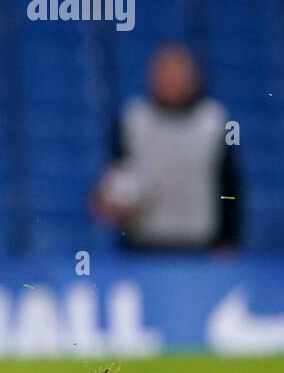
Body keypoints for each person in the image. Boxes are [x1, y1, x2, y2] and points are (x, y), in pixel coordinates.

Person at [92, 43, 239, 251]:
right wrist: (107, 201)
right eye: (165, 72)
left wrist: (229, 238)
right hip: (144, 247)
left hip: (199, 246)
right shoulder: (133, 119)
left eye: (178, 73)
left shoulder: (214, 121)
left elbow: (229, 185)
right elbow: (115, 176)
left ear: (193, 77)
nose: (171, 80)